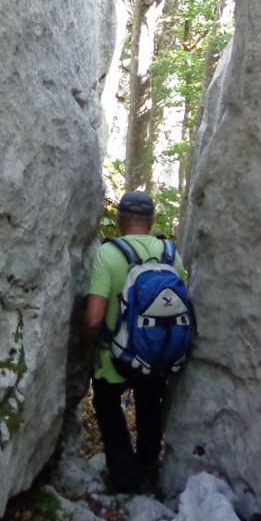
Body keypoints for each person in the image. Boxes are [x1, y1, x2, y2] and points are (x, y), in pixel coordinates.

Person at [82, 191, 187, 494]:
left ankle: (125, 479)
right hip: (157, 355)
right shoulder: (171, 254)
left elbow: (93, 318)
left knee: (106, 403)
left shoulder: (109, 254)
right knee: (149, 406)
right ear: (152, 219)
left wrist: (86, 347)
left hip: (116, 356)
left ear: (119, 219)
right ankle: (147, 468)